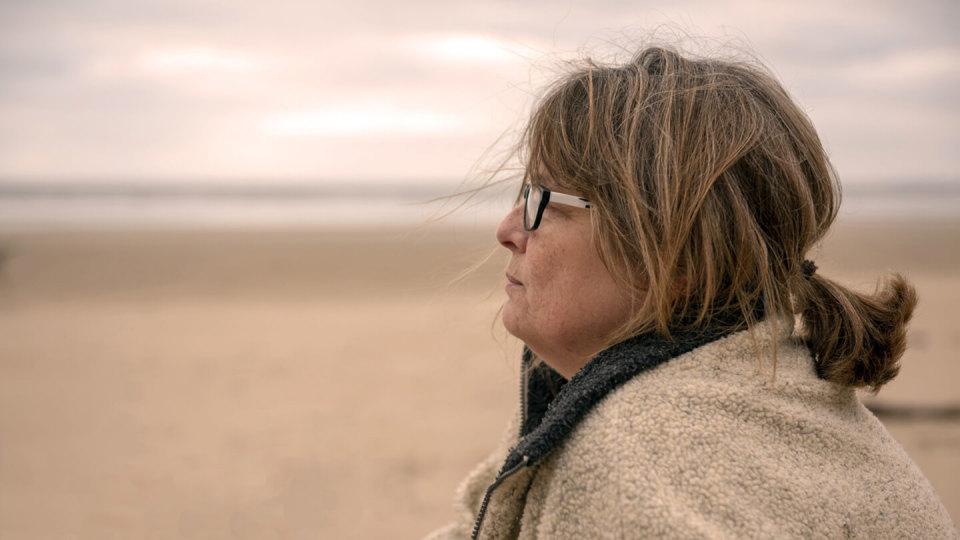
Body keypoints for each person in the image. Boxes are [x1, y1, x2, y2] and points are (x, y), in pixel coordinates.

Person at [424, 45, 956, 539]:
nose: (507, 229)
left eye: (544, 199)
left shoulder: (632, 463)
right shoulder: (755, 370)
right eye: (523, 190)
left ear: (675, 256)